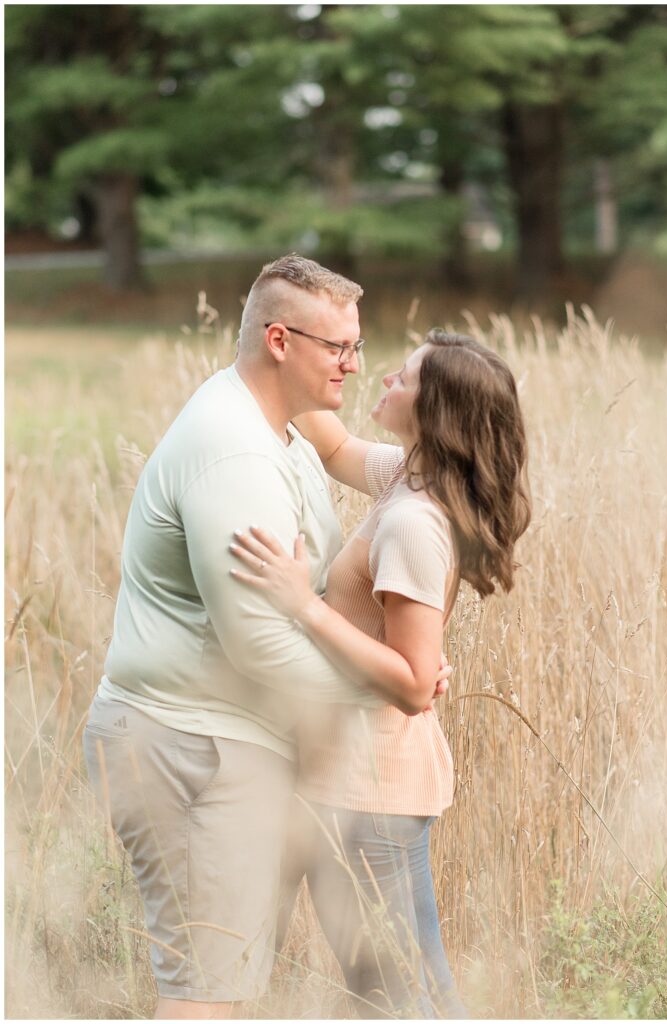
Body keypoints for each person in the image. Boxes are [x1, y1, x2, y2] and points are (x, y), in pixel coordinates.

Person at [82, 254, 450, 1020]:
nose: (355, 363)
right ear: (279, 341)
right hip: (193, 748)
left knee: (233, 984)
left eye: (357, 344)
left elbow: (366, 452)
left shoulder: (274, 422)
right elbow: (260, 648)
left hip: (224, 744)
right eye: (338, 348)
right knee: (208, 996)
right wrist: (386, 692)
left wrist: (400, 666)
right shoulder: (237, 454)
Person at [231, 329, 532, 1018]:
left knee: (404, 997)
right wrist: (272, 357)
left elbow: (410, 684)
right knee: (390, 992)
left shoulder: (414, 525)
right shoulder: (406, 476)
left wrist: (300, 604)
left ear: (436, 413)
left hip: (374, 795)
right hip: (353, 781)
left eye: (404, 377)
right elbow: (333, 447)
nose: (383, 379)